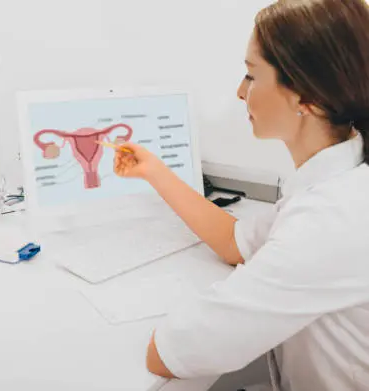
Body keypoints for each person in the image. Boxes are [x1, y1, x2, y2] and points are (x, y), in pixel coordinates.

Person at [114, 0, 369, 390]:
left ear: (306, 98)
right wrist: (154, 171)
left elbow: (168, 354)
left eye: (251, 76)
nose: (239, 91)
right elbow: (236, 242)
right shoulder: (341, 175)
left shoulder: (332, 219)